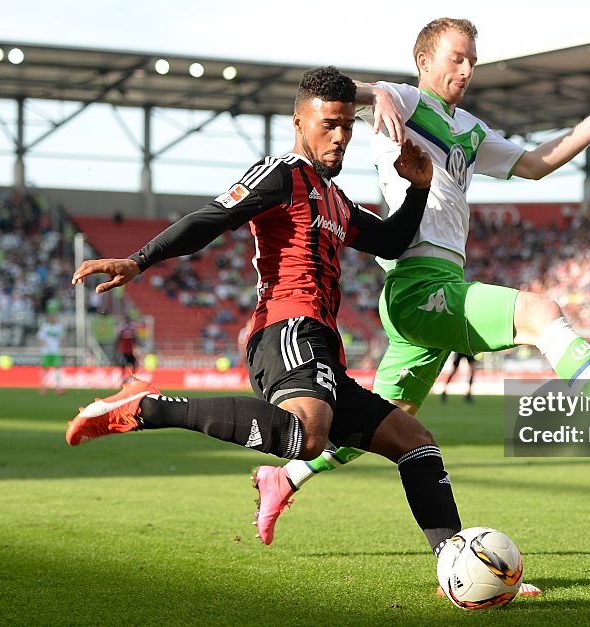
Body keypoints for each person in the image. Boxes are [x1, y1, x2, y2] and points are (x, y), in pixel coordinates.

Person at [256, 18, 590, 548]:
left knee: (389, 418)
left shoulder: (469, 128)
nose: (467, 69)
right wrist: (371, 91)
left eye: (472, 59)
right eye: (456, 58)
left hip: (437, 283)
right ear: (424, 62)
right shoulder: (403, 100)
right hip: (415, 281)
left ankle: (285, 477)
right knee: (541, 312)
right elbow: (332, 94)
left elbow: (535, 165)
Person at [65, 66, 467, 562]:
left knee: (416, 442)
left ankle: (455, 562)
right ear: (299, 122)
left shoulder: (336, 199)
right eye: (328, 125)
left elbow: (390, 239)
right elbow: (212, 218)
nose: (340, 137)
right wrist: (139, 259)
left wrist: (420, 188)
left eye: (347, 126)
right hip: (286, 326)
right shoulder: (281, 173)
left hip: (322, 343)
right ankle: (147, 407)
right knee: (309, 434)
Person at [37, 311, 64, 395]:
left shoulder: (59, 327)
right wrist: (43, 344)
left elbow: (61, 338)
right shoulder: (45, 327)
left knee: (57, 369)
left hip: (56, 351)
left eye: (54, 317)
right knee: (44, 369)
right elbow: (39, 337)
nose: (53, 318)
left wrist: (62, 346)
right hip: (46, 352)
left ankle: (58, 387)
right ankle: (43, 387)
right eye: (51, 317)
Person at [115, 316, 138, 382]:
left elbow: (134, 340)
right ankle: (125, 377)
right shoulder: (130, 330)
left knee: (130, 365)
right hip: (125, 351)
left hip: (128, 351)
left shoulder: (124, 330)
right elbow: (135, 339)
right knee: (127, 365)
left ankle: (129, 377)